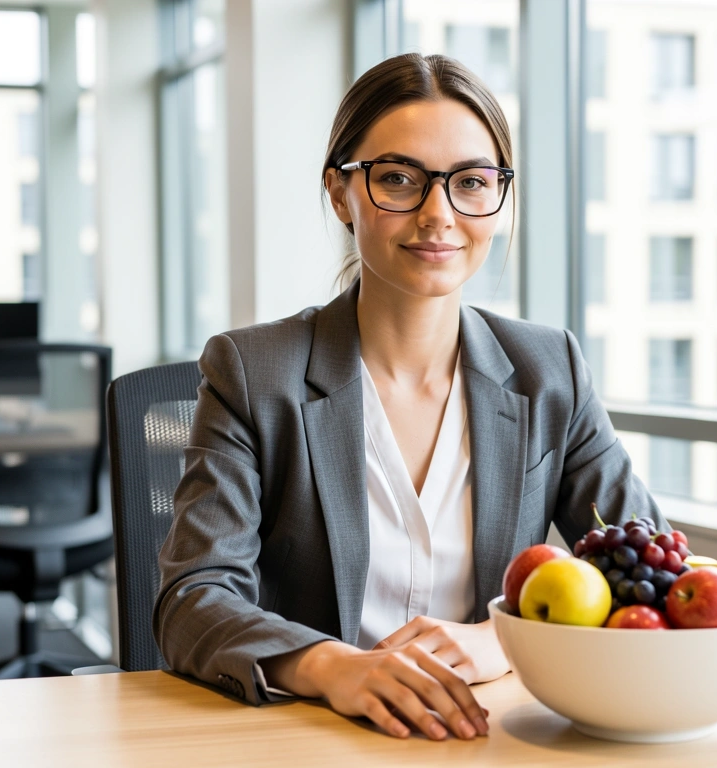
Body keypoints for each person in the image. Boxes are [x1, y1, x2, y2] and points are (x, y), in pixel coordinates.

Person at [154, 52, 665, 742]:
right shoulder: (255, 370)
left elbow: (649, 574)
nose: (438, 214)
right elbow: (192, 599)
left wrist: (503, 640)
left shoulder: (551, 371)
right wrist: (335, 667)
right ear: (341, 192)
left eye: (472, 183)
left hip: (489, 734)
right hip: (309, 738)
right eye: (398, 179)